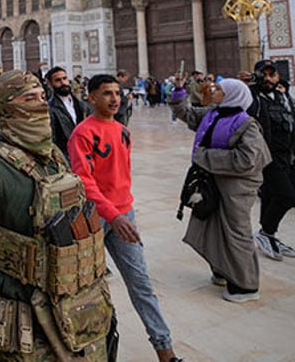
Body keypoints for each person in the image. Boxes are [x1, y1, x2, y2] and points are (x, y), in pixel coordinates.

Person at [0, 70, 115, 360]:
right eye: (29, 99)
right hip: (23, 321)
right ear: (6, 108)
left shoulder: (52, 155)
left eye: (43, 97)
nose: (42, 105)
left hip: (75, 311)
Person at [68, 75, 182, 362]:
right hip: (94, 218)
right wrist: (113, 215)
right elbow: (84, 181)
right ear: (91, 97)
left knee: (141, 283)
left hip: (122, 215)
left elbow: (121, 178)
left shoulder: (122, 132)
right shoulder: (82, 134)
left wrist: (122, 213)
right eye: (107, 93)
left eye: (118, 93)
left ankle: (166, 352)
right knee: (84, 291)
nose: (115, 99)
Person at [168, 76, 271, 302]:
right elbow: (186, 113)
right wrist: (178, 91)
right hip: (215, 183)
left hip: (237, 188)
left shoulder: (246, 124)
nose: (213, 92)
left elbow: (248, 160)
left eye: (219, 90)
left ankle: (246, 285)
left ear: (233, 96)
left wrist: (204, 156)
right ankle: (222, 270)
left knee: (236, 233)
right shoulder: (213, 114)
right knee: (213, 227)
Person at [248, 59, 295, 260]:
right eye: (263, 74)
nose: (267, 78)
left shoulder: (283, 98)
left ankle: (269, 234)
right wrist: (248, 85)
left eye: (271, 74)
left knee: (271, 194)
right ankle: (266, 232)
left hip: (287, 156)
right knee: (287, 196)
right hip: (268, 157)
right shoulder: (253, 99)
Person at [46, 65, 91, 160]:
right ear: (50, 84)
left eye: (64, 78)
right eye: (58, 80)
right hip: (67, 158)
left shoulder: (82, 105)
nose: (63, 83)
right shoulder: (49, 109)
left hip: (86, 155)